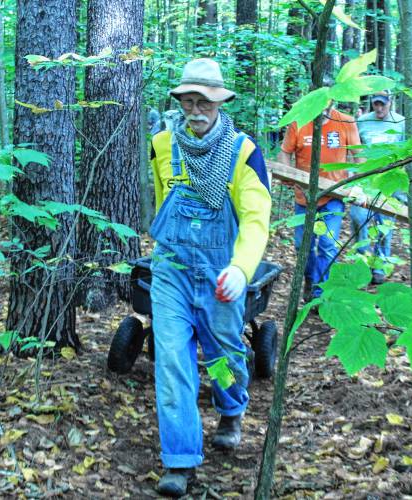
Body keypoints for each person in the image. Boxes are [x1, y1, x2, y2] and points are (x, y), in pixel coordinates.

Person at [148, 58, 271, 497]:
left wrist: (241, 268)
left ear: (220, 102)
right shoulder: (162, 144)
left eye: (205, 101)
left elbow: (257, 218)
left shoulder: (243, 152)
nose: (195, 109)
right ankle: (179, 459)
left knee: (222, 354)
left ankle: (231, 408)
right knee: (173, 361)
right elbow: (163, 199)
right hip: (171, 273)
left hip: (221, 273)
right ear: (179, 102)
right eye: (188, 101)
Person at [279, 100, 361, 301]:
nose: (322, 109)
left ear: (333, 101)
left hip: (333, 196)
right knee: (302, 245)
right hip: (304, 197)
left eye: (327, 104)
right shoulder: (299, 122)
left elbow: (360, 157)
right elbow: (285, 153)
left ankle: (320, 293)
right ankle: (311, 278)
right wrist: (287, 174)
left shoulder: (345, 122)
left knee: (327, 244)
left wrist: (359, 185)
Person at [349, 90, 405, 284]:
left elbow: (409, 151)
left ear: (390, 102)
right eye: (376, 104)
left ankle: (380, 265)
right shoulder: (362, 121)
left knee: (384, 224)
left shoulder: (401, 122)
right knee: (358, 218)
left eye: (383, 104)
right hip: (365, 179)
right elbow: (354, 148)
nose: (379, 108)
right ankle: (362, 262)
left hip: (390, 181)